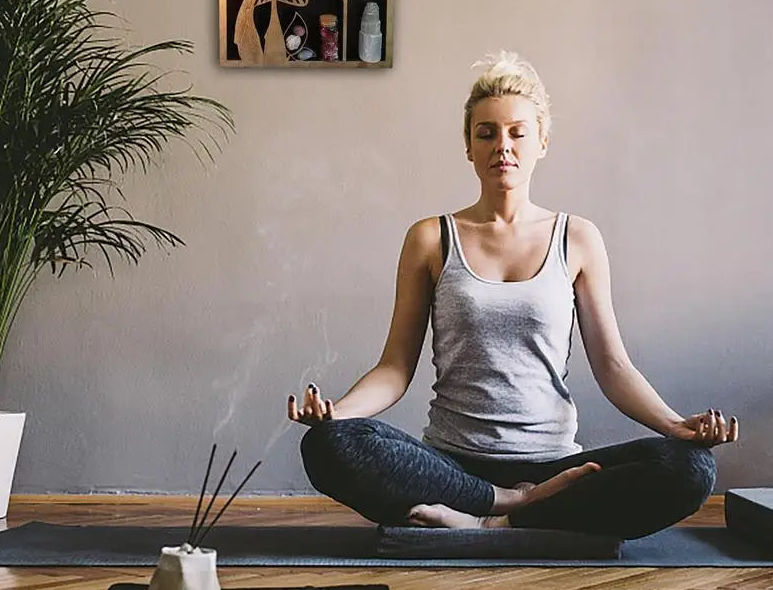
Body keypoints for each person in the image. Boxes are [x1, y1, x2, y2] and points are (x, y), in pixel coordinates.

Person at [286, 51, 739, 539]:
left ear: (542, 142)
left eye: (517, 132)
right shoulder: (430, 238)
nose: (502, 145)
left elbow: (614, 369)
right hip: (451, 467)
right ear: (468, 145)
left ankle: (495, 520)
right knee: (329, 445)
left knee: (691, 469)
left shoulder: (578, 238)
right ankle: (506, 506)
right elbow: (395, 368)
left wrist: (676, 427)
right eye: (487, 133)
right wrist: (337, 413)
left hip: (554, 469)